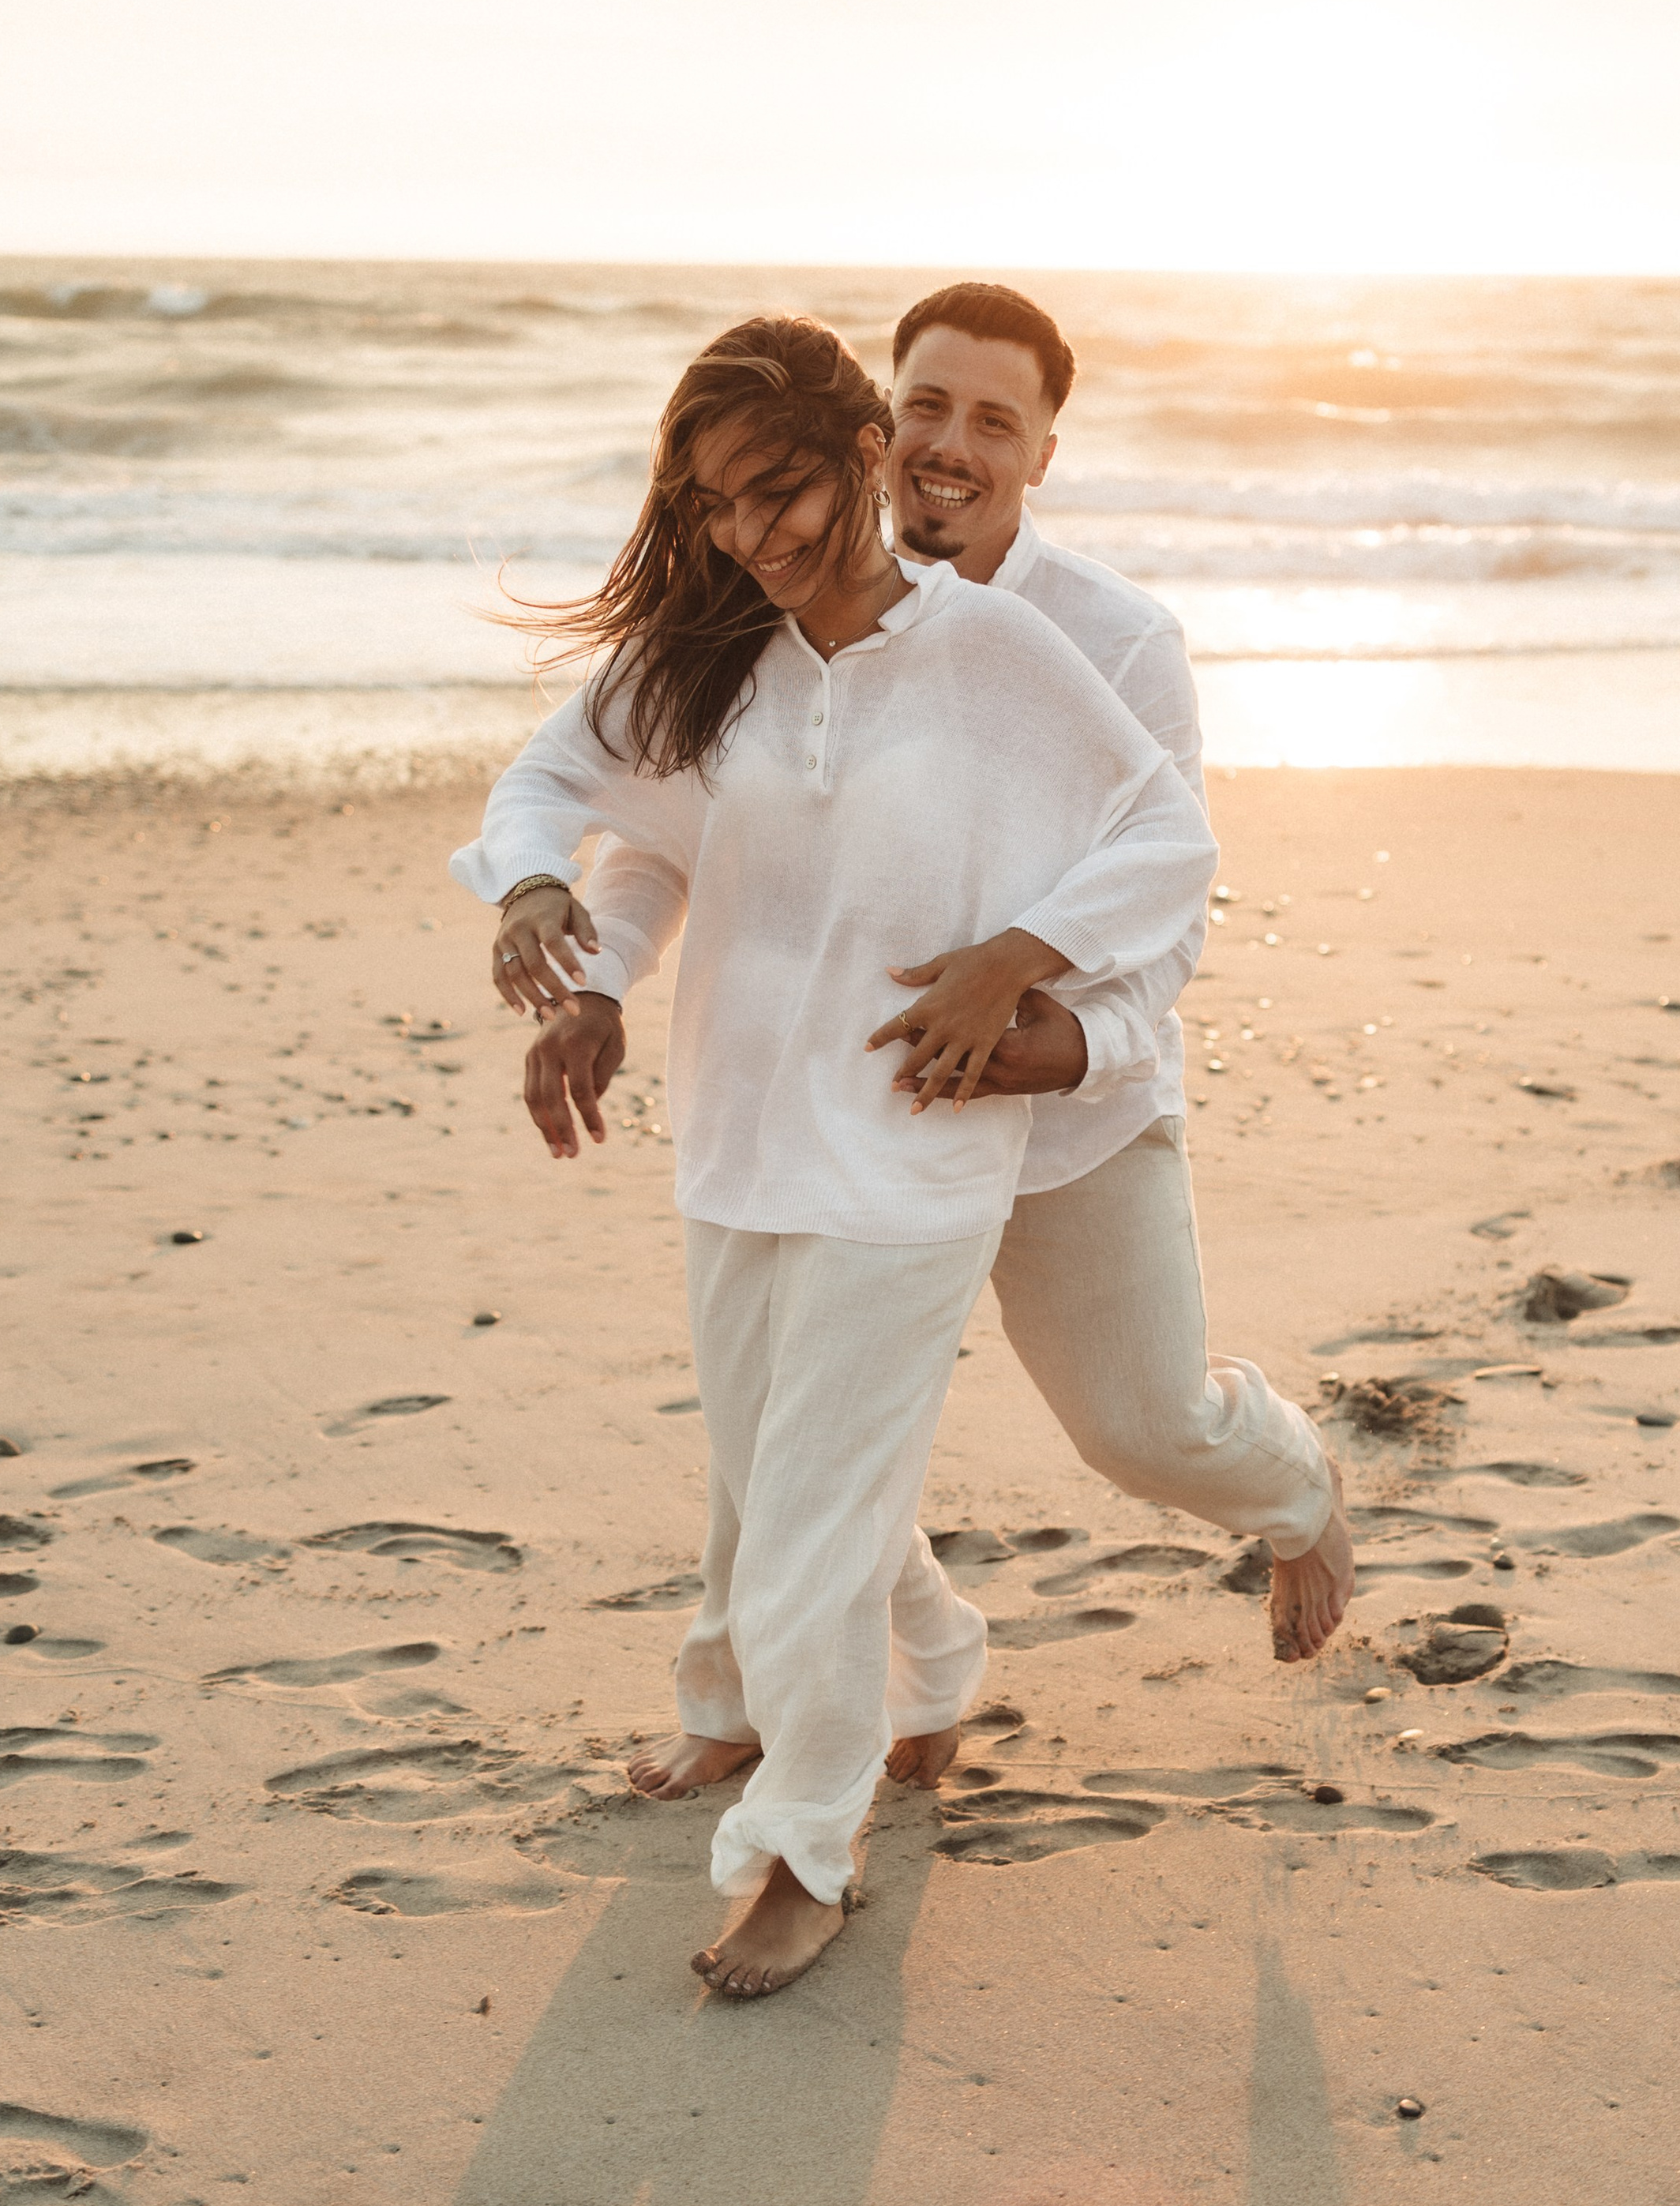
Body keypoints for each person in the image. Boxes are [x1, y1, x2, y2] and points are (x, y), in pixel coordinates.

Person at [454, 315, 1217, 2000]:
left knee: (801, 1517)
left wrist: (1020, 955)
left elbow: (1165, 834)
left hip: (910, 1157)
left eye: (781, 488)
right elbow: (562, 784)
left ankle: (804, 1842)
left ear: (863, 455)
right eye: (717, 504)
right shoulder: (711, 647)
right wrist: (551, 932)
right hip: (732, 1137)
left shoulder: (996, 653)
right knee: (783, 1485)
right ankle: (936, 1665)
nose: (753, 532)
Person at [531, 282, 1356, 1698]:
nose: (950, 445)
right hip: (858, 1109)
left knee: (1140, 1427)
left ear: (1042, 454)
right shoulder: (766, 602)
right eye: (926, 406)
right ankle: (766, 1709)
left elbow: (1168, 906)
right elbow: (676, 841)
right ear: (874, 425)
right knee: (785, 1432)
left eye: (995, 420)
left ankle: (1296, 1490)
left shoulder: (1114, 639)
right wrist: (593, 973)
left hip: (1064, 1118)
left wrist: (1064, 1032)